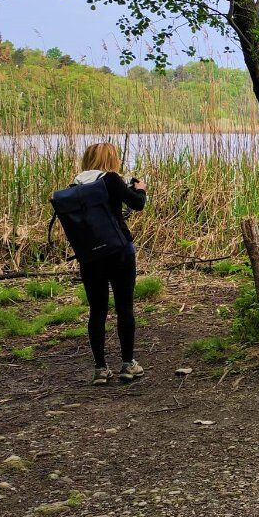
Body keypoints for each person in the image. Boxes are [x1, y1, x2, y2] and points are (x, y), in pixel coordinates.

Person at [74, 143, 148, 385]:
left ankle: (100, 369)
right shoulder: (112, 179)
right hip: (119, 251)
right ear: (111, 159)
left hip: (90, 256)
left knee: (97, 310)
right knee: (124, 306)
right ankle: (128, 364)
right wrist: (141, 189)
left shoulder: (76, 185)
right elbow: (137, 204)